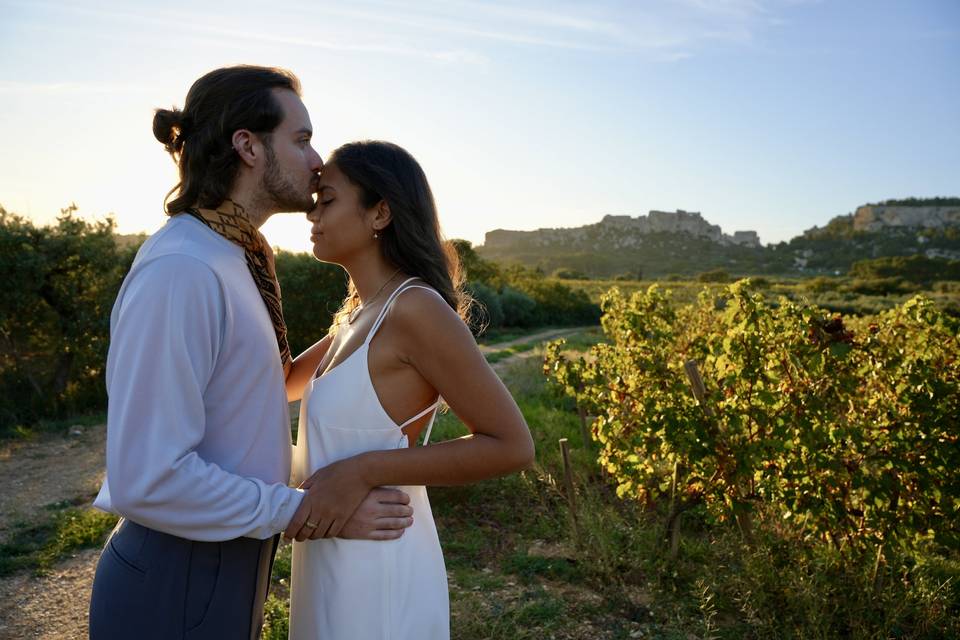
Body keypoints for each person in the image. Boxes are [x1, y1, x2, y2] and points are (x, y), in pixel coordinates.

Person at [88, 66, 414, 640]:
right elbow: (148, 476)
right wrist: (308, 512)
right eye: (302, 139)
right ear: (247, 145)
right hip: (177, 577)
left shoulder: (233, 257)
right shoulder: (182, 270)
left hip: (224, 568)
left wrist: (378, 310)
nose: (317, 163)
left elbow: (260, 393)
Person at [284, 140, 536, 639]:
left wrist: (363, 471)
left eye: (327, 200)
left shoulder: (414, 309)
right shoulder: (358, 314)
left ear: (380, 213)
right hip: (331, 552)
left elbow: (513, 447)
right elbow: (279, 382)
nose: (312, 216)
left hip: (379, 565)